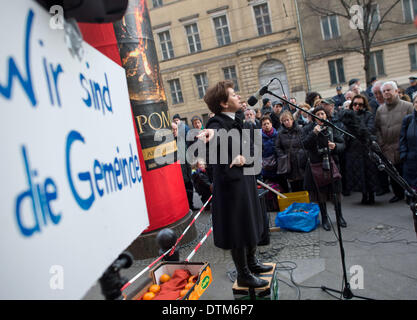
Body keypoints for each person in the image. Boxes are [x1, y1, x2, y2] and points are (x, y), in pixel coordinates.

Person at [199, 80, 272, 288]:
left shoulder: (235, 116)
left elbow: (246, 104)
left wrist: (258, 93)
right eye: (233, 95)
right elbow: (214, 135)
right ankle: (243, 273)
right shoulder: (216, 124)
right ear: (223, 103)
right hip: (232, 186)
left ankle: (252, 263)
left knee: (250, 222)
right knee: (238, 228)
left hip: (245, 179)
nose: (238, 97)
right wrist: (211, 136)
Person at [302, 106, 347, 231]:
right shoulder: (308, 129)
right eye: (317, 114)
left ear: (326, 115)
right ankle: (325, 219)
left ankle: (339, 216)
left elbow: (343, 144)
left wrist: (335, 146)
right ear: (313, 117)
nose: (320, 116)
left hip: (332, 164)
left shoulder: (332, 127)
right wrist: (314, 133)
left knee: (336, 193)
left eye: (322, 113)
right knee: (320, 195)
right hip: (316, 165)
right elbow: (304, 144)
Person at [375, 81, 414, 203]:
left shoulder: (408, 106)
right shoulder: (380, 109)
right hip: (387, 148)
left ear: (396, 91)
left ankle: (410, 194)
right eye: (384, 91)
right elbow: (377, 128)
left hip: (404, 146)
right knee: (393, 173)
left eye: (389, 90)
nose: (386, 92)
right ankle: (398, 194)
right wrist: (382, 144)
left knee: (406, 173)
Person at [342, 95, 379, 204]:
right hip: (354, 150)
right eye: (355, 104)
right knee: (358, 174)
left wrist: (357, 129)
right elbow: (345, 132)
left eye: (360, 104)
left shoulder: (368, 115)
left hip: (366, 148)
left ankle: (371, 195)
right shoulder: (348, 116)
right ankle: (363, 194)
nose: (357, 106)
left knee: (369, 173)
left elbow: (369, 129)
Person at [275, 111, 307, 192]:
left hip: (301, 160)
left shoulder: (300, 130)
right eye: (284, 120)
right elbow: (277, 147)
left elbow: (306, 143)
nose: (287, 122)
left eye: (288, 120)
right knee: (294, 186)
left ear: (292, 120)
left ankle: (305, 204)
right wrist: (283, 156)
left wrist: (303, 153)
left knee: (304, 185)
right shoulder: (280, 133)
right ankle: (297, 204)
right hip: (289, 162)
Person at [171, 121, 196, 211]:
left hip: (187, 168)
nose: (174, 131)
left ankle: (191, 205)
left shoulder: (181, 139)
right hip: (178, 173)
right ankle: (186, 208)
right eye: (172, 129)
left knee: (190, 187)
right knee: (183, 191)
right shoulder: (169, 142)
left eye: (176, 129)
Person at [400, 95, 417, 201]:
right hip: (411, 160)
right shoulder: (408, 119)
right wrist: (404, 154)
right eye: (416, 102)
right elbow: (402, 139)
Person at [260, 116, 279, 183]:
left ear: (271, 124)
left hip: (277, 166)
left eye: (268, 123)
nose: (266, 125)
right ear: (262, 126)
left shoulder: (277, 135)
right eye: (264, 124)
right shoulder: (258, 137)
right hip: (265, 167)